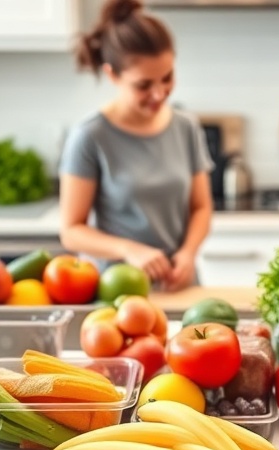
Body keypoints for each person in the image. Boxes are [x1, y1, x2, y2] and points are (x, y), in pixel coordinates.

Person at [58, 0, 213, 292]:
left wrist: (188, 253)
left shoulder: (186, 127)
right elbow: (71, 231)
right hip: (117, 292)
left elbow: (201, 207)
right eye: (143, 85)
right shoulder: (90, 136)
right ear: (112, 75)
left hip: (179, 286)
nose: (159, 93)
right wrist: (130, 250)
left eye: (167, 78)